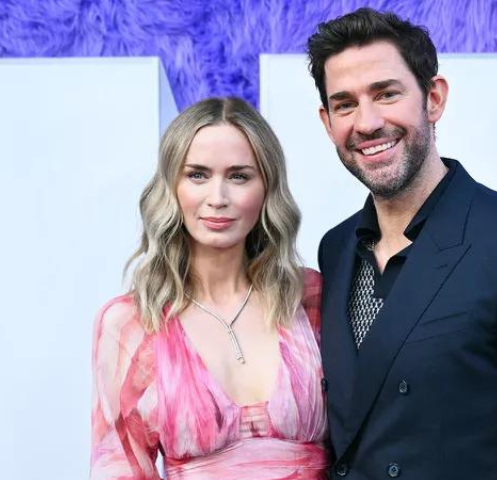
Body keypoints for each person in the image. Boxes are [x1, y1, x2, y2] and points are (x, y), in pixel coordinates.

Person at [307, 8, 497, 480]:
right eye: (345, 104)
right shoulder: (336, 248)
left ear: (433, 98)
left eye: (386, 94)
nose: (366, 123)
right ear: (327, 123)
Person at [90, 97, 329, 480]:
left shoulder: (311, 298)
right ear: (172, 187)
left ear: (267, 188)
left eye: (239, 176)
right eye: (197, 175)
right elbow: (119, 466)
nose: (217, 199)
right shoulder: (132, 322)